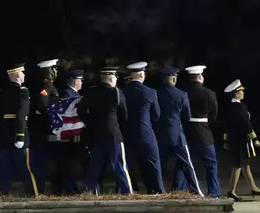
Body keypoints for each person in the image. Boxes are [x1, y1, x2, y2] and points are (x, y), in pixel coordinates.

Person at [78, 66, 132, 195]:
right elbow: (124, 114)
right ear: (112, 78)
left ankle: (88, 190)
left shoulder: (91, 92)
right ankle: (127, 191)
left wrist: (90, 122)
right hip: (113, 133)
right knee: (119, 164)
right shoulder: (116, 92)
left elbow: (80, 110)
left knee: (94, 165)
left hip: (96, 134)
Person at [155, 65, 203, 195]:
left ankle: (158, 190)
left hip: (160, 134)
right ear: (174, 79)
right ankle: (196, 191)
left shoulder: (156, 93)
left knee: (158, 164)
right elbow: (186, 116)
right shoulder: (181, 94)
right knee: (187, 164)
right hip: (177, 134)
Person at [175, 65, 220, 197]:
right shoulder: (210, 93)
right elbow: (213, 115)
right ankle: (214, 191)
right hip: (203, 132)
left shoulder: (182, 91)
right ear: (200, 77)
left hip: (186, 130)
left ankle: (179, 190)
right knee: (211, 163)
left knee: (183, 162)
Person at [0, 63, 39, 196]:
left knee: (5, 168)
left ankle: (1, 193)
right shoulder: (22, 91)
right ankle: (33, 193)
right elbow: (21, 114)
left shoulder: (3, 90)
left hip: (5, 134)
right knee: (26, 167)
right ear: (17, 74)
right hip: (17, 133)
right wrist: (20, 135)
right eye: (22, 72)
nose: (24, 75)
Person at [122, 62, 165, 194]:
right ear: (142, 74)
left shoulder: (123, 91)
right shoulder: (150, 92)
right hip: (145, 130)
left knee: (129, 164)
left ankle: (131, 189)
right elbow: (156, 114)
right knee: (152, 162)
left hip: (126, 132)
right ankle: (156, 190)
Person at [223, 79, 260, 201]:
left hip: (233, 139)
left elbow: (226, 126)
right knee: (238, 165)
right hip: (241, 140)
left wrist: (225, 141)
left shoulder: (230, 107)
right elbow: (247, 124)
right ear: (236, 93)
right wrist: (255, 138)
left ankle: (253, 187)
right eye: (241, 91)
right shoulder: (240, 107)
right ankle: (232, 191)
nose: (243, 93)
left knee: (245, 165)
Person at [29, 58, 60, 194]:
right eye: (54, 68)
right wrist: (52, 116)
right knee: (41, 160)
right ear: (49, 71)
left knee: (45, 160)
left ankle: (41, 188)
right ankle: (38, 189)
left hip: (45, 128)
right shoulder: (46, 86)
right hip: (42, 128)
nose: (56, 71)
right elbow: (42, 104)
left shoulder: (49, 85)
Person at [54, 69, 86, 195]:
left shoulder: (72, 94)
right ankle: (66, 188)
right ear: (74, 81)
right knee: (66, 163)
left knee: (69, 163)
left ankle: (69, 187)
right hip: (69, 136)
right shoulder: (68, 95)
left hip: (72, 136)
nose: (82, 83)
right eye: (80, 80)